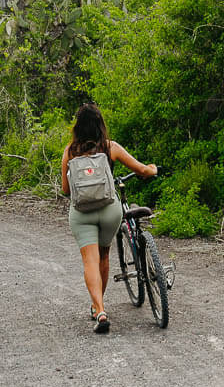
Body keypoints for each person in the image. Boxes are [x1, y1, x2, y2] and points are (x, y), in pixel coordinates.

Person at [60, 101, 156, 334]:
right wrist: (152, 169)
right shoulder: (110, 147)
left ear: (78, 127)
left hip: (82, 213)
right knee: (104, 255)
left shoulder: (70, 151)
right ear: (100, 125)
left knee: (89, 261)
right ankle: (98, 304)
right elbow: (142, 171)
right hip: (109, 210)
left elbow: (65, 189)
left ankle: (100, 310)